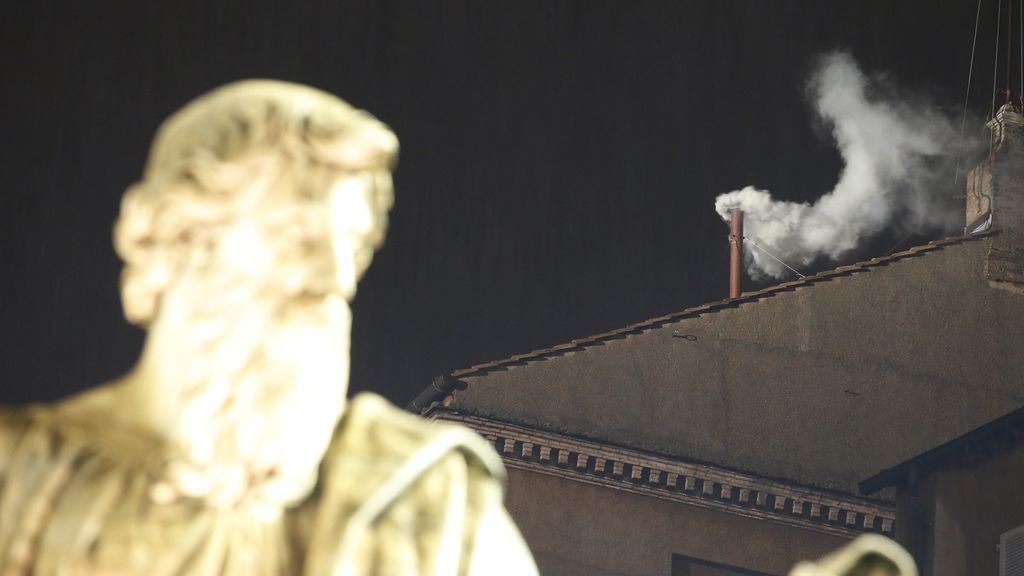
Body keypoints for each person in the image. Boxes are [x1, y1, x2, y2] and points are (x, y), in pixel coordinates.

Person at [0, 80, 538, 576]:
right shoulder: (17, 480)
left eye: (351, 245)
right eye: (295, 232)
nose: (337, 279)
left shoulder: (427, 510)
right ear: (181, 241)